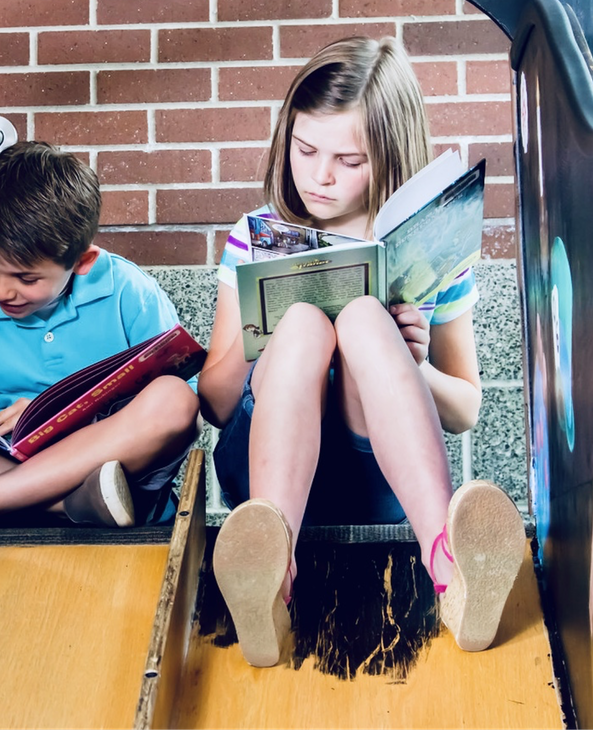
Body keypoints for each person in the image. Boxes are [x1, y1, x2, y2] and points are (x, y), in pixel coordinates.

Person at [197, 36, 525, 667]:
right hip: (264, 472)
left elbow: (467, 410)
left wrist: (417, 366)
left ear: (390, 156)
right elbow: (213, 403)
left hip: (379, 474)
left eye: (348, 160)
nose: (320, 175)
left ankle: (449, 570)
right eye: (305, 149)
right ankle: (273, 577)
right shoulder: (253, 237)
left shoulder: (429, 250)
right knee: (302, 325)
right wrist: (266, 314)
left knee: (366, 319)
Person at [0, 141, 201, 529]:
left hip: (108, 468)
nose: (1, 291)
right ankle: (61, 505)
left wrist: (60, 419)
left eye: (26, 278)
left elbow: (183, 411)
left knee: (176, 399)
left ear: (82, 262)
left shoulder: (130, 291)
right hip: (5, 462)